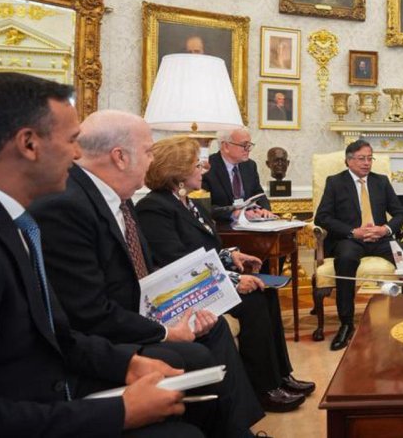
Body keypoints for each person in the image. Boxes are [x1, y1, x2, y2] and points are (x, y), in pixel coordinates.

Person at [0, 72, 198, 437]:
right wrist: (120, 413)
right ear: (28, 144)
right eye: (72, 140)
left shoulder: (0, 218)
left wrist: (126, 364)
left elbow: (51, 334)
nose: (78, 154)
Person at [28, 110, 267, 430]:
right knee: (192, 356)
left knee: (213, 327)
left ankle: (237, 430)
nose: (153, 160)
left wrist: (184, 306)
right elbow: (88, 312)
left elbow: (146, 269)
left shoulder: (118, 198)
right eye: (148, 151)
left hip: (137, 314)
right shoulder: (66, 205)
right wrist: (166, 330)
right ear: (120, 157)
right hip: (103, 337)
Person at [135, 136, 312, 413]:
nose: (203, 170)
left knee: (267, 293)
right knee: (253, 301)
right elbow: (178, 265)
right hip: (187, 294)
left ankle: (280, 376)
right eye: (196, 165)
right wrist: (234, 280)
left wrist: (231, 256)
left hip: (206, 283)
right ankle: (264, 388)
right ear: (177, 172)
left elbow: (204, 250)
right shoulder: (154, 208)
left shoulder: (188, 203)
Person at [314, 140, 403, 350]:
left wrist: (385, 229)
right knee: (345, 259)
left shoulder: (381, 181)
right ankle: (346, 323)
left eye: (370, 158)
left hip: (380, 238)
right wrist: (353, 231)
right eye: (362, 158)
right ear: (349, 160)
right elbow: (322, 217)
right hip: (350, 239)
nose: (367, 163)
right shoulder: (335, 182)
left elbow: (400, 213)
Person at [202, 127, 266, 218]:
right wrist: (234, 214)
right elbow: (204, 207)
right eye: (244, 145)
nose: (248, 149)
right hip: (221, 224)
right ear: (226, 146)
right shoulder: (207, 167)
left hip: (250, 222)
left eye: (249, 145)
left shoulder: (250, 165)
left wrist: (265, 210)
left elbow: (259, 194)